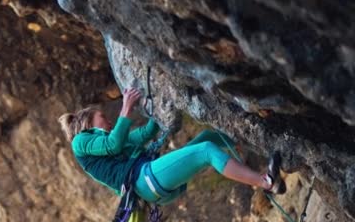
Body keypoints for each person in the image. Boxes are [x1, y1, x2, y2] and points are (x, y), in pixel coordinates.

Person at [58, 88, 286, 207]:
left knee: (209, 137)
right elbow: (113, 142)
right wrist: (126, 107)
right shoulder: (80, 141)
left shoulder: (110, 145)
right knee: (205, 150)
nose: (108, 121)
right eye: (102, 118)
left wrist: (159, 108)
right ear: (87, 123)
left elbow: (145, 133)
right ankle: (266, 182)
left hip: (148, 182)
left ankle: (263, 148)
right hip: (143, 180)